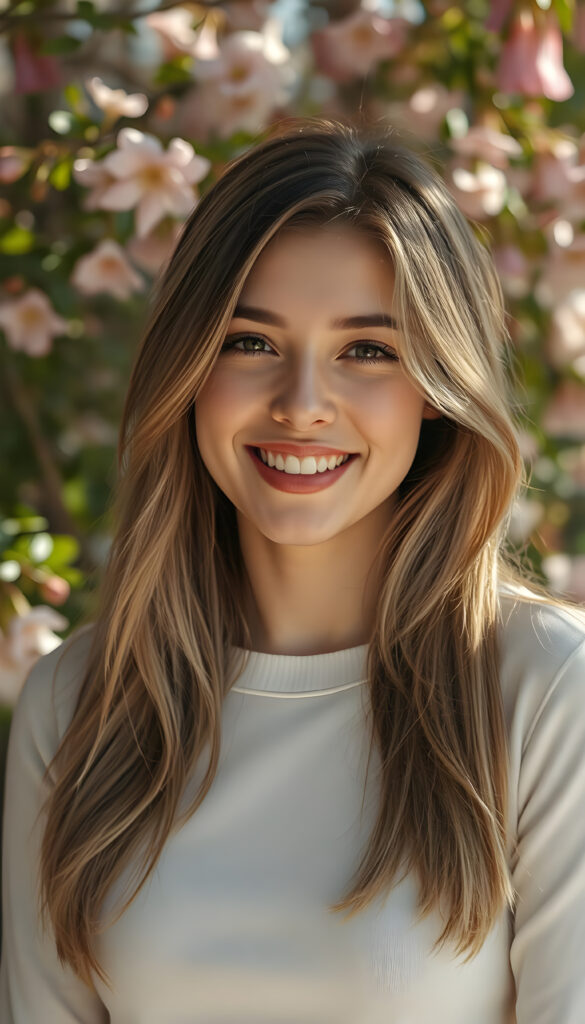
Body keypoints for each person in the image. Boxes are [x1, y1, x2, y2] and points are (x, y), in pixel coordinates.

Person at [1, 117, 584, 1024]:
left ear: (436, 390)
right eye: (250, 342)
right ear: (187, 367)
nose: (302, 406)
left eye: (367, 351)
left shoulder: (543, 687)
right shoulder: (79, 702)